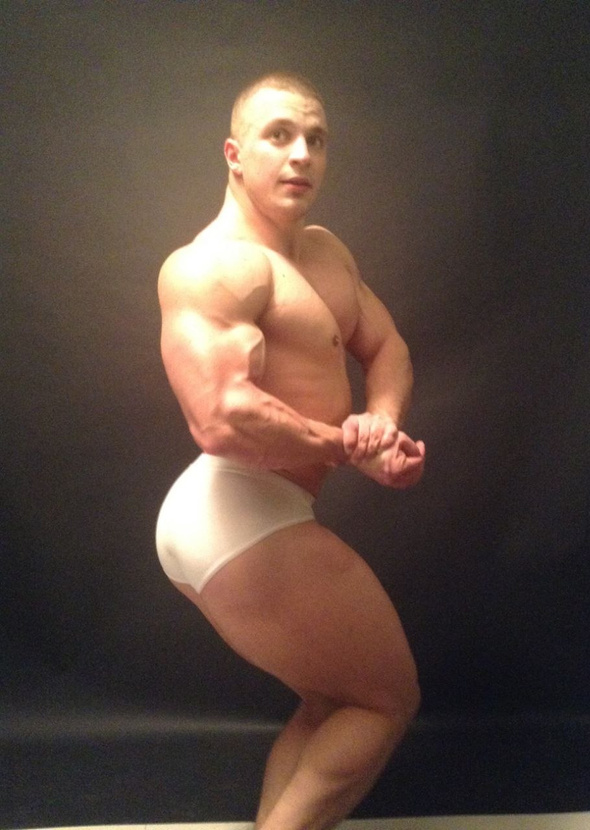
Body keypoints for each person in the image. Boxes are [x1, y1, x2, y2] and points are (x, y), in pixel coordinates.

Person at [155, 71, 426, 830]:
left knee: (333, 700)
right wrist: (347, 447)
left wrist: (383, 423)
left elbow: (388, 347)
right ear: (234, 154)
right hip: (234, 507)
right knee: (386, 702)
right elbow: (219, 416)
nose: (301, 153)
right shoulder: (214, 266)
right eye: (278, 136)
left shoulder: (325, 253)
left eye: (316, 139)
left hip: (254, 508)